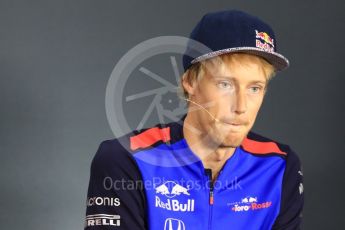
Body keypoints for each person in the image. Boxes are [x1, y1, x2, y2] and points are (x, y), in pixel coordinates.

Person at [84, 10, 304, 230]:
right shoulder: (127, 159)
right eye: (225, 85)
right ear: (190, 82)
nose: (241, 106)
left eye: (254, 88)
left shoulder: (279, 166)